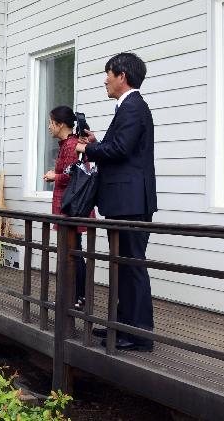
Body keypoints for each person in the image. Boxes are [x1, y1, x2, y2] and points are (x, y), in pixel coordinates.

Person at [76, 52, 157, 352]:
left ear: (122, 75)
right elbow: (121, 147)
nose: (105, 79)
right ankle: (123, 323)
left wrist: (87, 149)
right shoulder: (128, 107)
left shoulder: (134, 106)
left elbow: (121, 149)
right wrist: (96, 143)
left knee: (131, 266)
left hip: (131, 202)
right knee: (123, 265)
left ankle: (139, 334)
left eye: (108, 73)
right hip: (126, 201)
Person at [43, 106, 94, 309]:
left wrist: (54, 176)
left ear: (60, 124)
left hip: (72, 207)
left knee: (74, 252)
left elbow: (74, 175)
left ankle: (77, 296)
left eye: (50, 122)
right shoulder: (68, 143)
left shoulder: (72, 144)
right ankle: (76, 296)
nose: (49, 126)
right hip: (69, 205)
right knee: (74, 251)